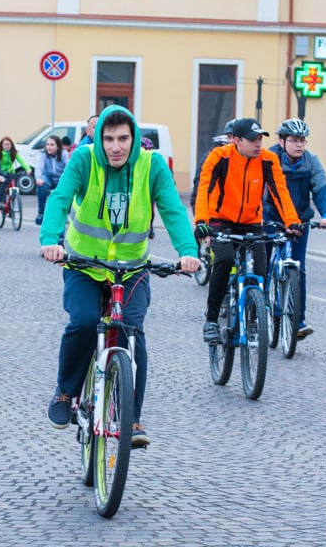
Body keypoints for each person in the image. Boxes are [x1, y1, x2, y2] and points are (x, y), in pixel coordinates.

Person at [41, 105, 201, 447]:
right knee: (83, 322)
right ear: (98, 138)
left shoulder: (151, 164)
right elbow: (59, 199)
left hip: (133, 268)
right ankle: (65, 393)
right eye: (109, 138)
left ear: (135, 139)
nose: (116, 146)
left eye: (123, 138)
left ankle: (133, 419)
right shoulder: (84, 160)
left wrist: (188, 251)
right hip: (83, 262)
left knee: (131, 331)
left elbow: (172, 209)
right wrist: (49, 240)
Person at [194, 117, 302, 343]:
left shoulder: (267, 160)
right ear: (236, 140)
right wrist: (201, 221)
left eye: (260, 139)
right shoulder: (219, 157)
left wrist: (292, 221)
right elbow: (205, 189)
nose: (258, 144)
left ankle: (253, 317)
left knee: (261, 268)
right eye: (252, 140)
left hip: (251, 222)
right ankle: (212, 319)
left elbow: (279, 191)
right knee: (223, 261)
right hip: (220, 220)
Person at [264, 118, 326, 339]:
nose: (299, 145)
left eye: (302, 141)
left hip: (299, 221)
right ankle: (257, 309)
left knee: (298, 269)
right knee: (262, 264)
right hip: (271, 218)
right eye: (294, 140)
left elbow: (322, 187)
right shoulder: (269, 158)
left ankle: (298, 319)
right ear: (282, 141)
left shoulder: (310, 161)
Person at [189, 120, 234, 211]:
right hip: (210, 209)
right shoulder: (215, 155)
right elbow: (201, 183)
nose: (232, 140)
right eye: (230, 137)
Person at [34, 135, 68, 224]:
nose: (49, 147)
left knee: (66, 190)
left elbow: (68, 168)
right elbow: (39, 168)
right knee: (42, 185)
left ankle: (67, 209)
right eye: (47, 144)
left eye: (52, 145)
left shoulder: (64, 154)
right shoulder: (43, 155)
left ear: (58, 147)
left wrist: (66, 180)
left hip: (60, 178)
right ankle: (41, 212)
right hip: (48, 177)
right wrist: (38, 179)